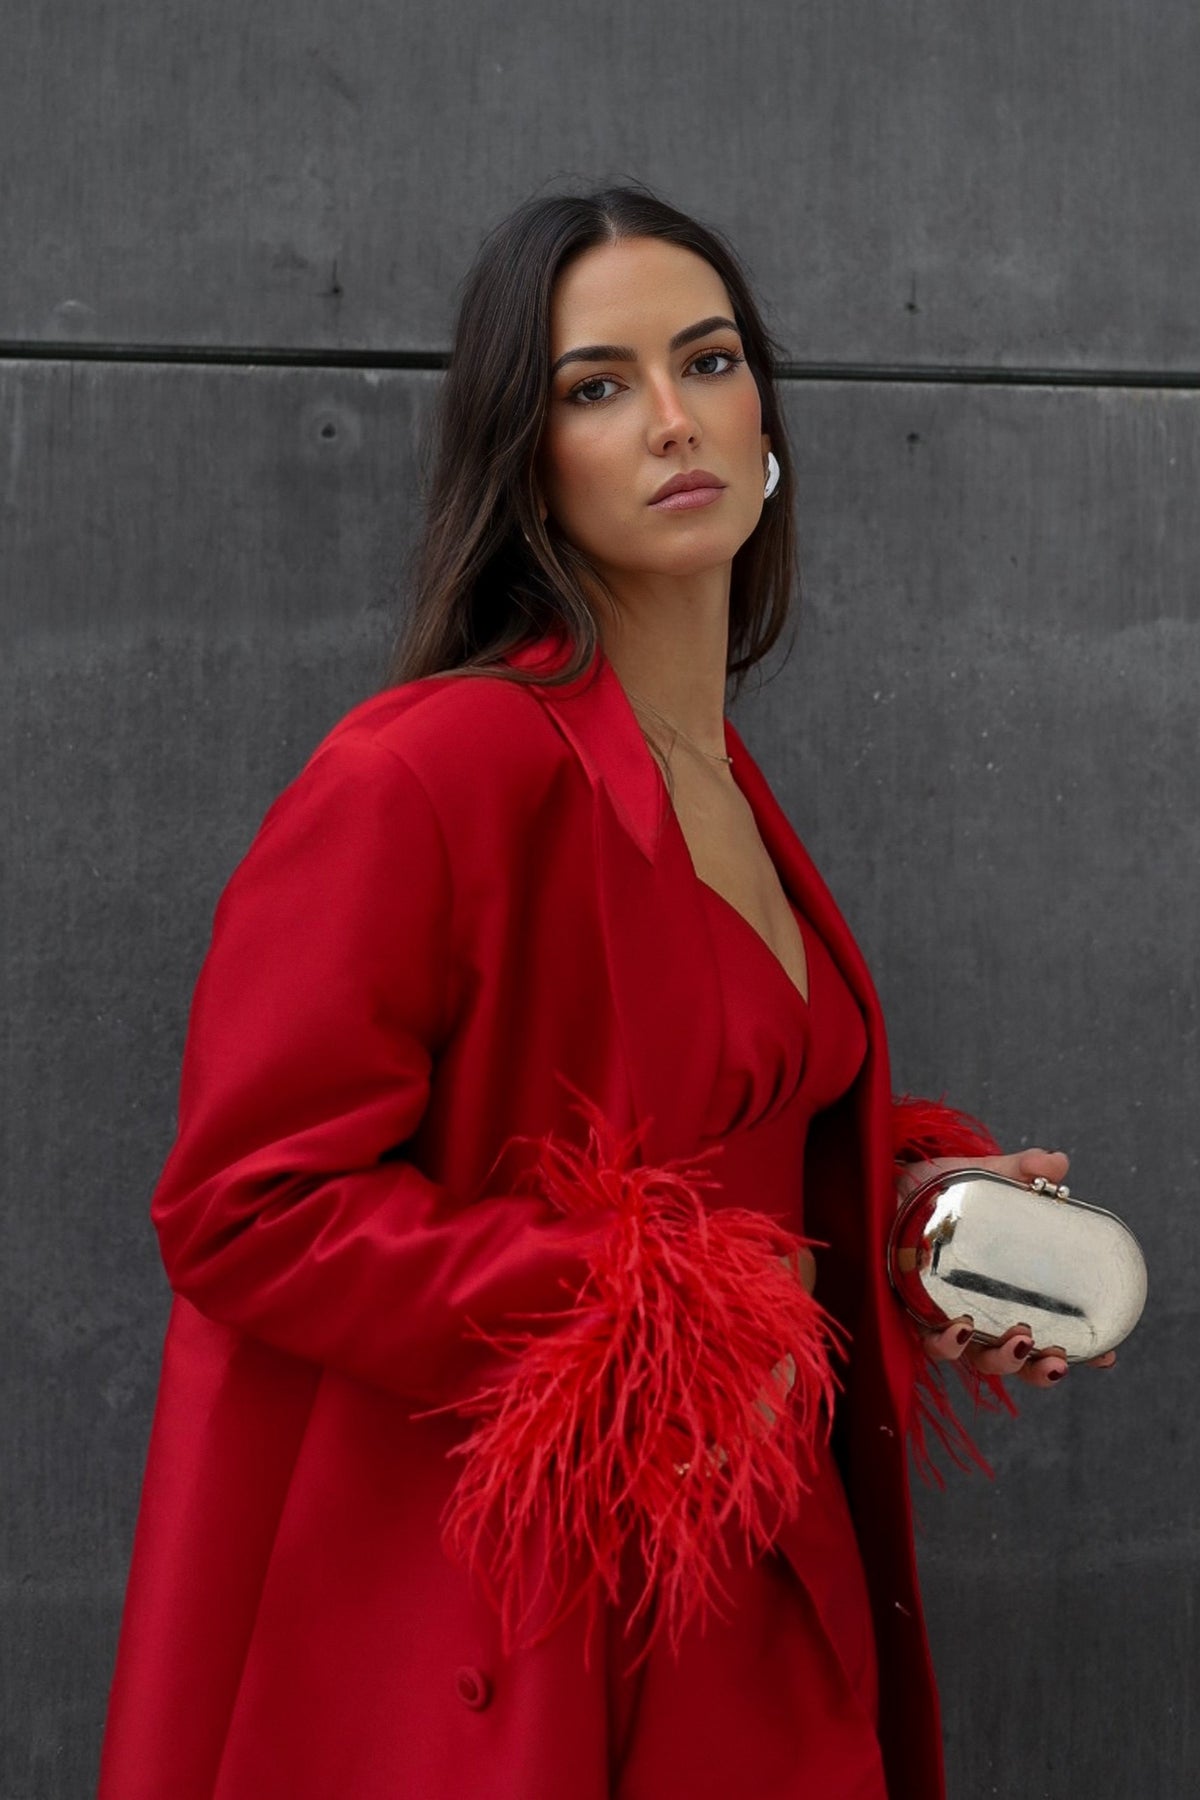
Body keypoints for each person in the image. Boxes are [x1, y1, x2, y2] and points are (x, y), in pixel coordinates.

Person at [96, 186, 1114, 1800]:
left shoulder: (722, 776)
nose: (669, 420)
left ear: (766, 416)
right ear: (526, 457)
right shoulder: (431, 772)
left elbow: (721, 1142)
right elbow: (241, 1205)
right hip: (537, 1629)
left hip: (771, 1586)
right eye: (596, 385)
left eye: (706, 362)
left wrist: (909, 1222)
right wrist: (647, 1306)